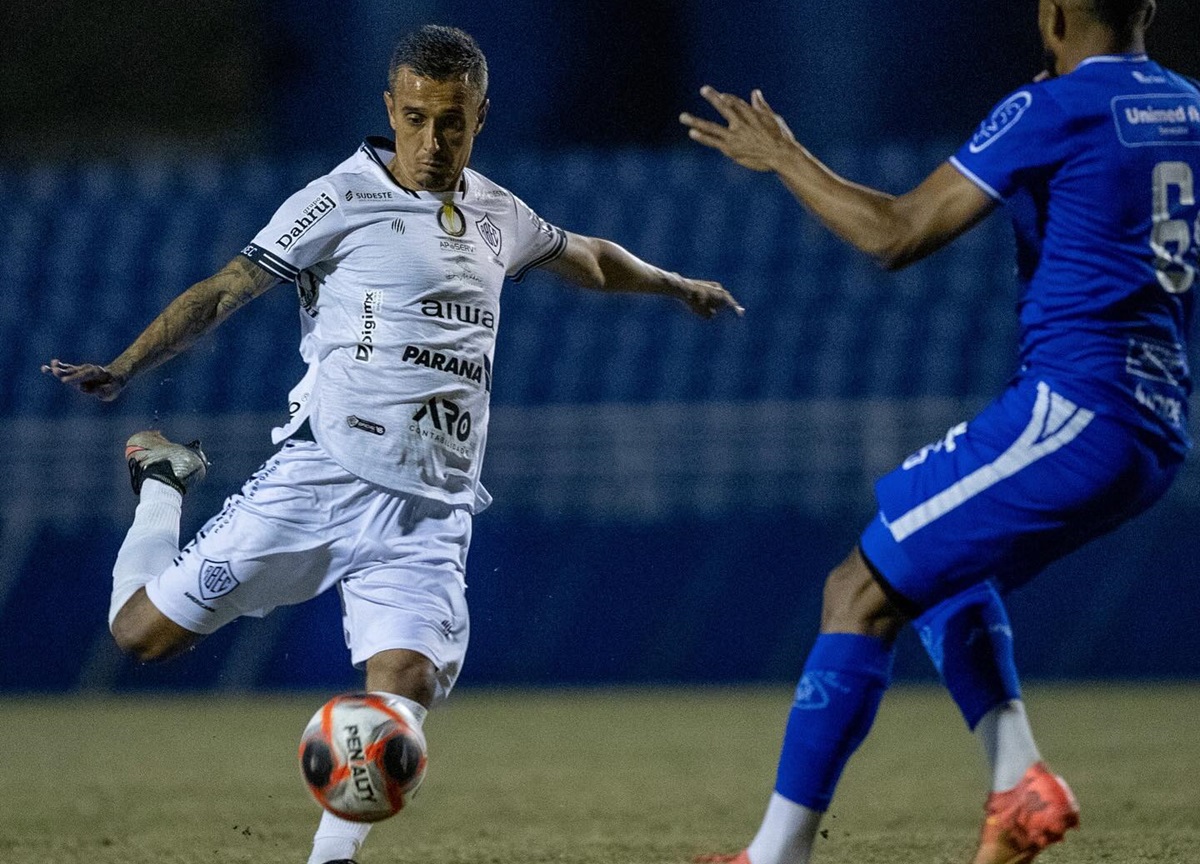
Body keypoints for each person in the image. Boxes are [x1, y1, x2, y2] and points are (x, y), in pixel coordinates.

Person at [43, 24, 741, 864]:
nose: (432, 141)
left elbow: (586, 257)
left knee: (403, 689)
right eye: (414, 118)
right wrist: (126, 365)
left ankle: (329, 859)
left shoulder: (496, 213)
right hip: (323, 476)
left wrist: (675, 284)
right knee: (139, 636)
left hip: (430, 511)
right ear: (390, 107)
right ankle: (163, 479)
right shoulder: (336, 198)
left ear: (481, 116)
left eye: (451, 122)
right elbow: (229, 288)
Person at [680, 0, 1198, 862]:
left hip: (1076, 410)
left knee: (858, 588)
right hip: (1156, 424)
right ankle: (1017, 782)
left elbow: (896, 232)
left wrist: (784, 157)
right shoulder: (1186, 105)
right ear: (1147, 7)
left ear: (1053, 12)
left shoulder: (1052, 108)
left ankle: (775, 855)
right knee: (935, 565)